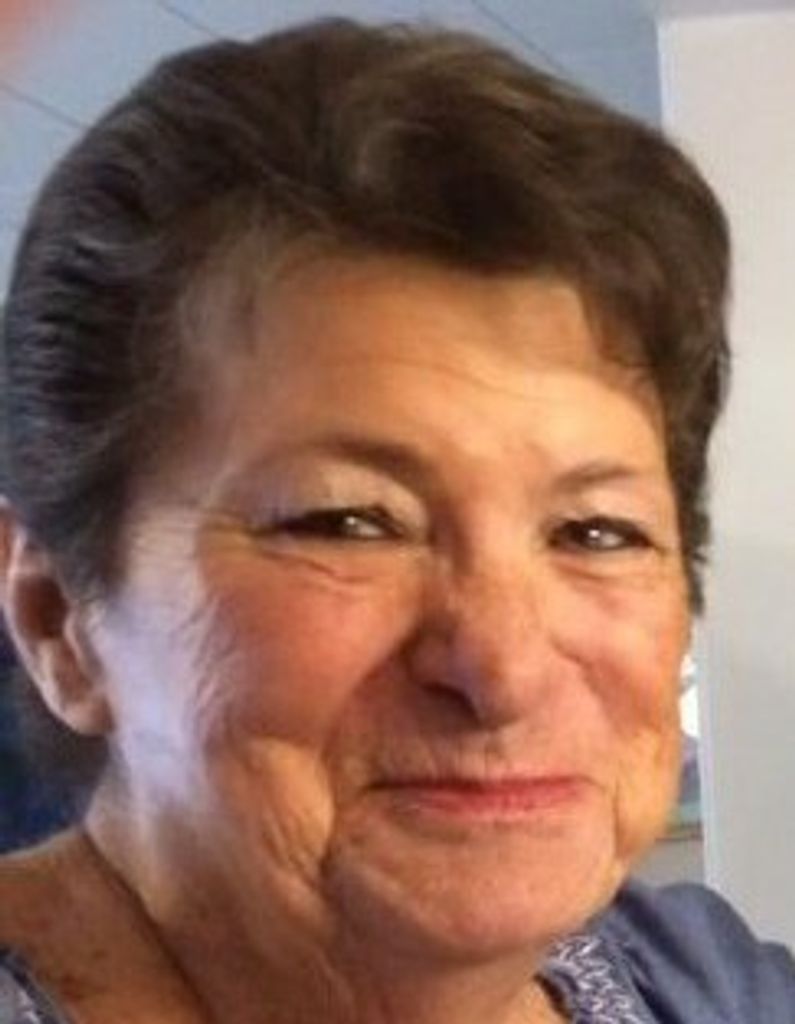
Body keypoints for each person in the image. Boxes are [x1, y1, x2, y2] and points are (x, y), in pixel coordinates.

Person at [0, 17, 791, 1024]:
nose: (504, 668)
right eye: (347, 522)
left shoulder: (712, 986)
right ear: (57, 618)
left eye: (596, 532)